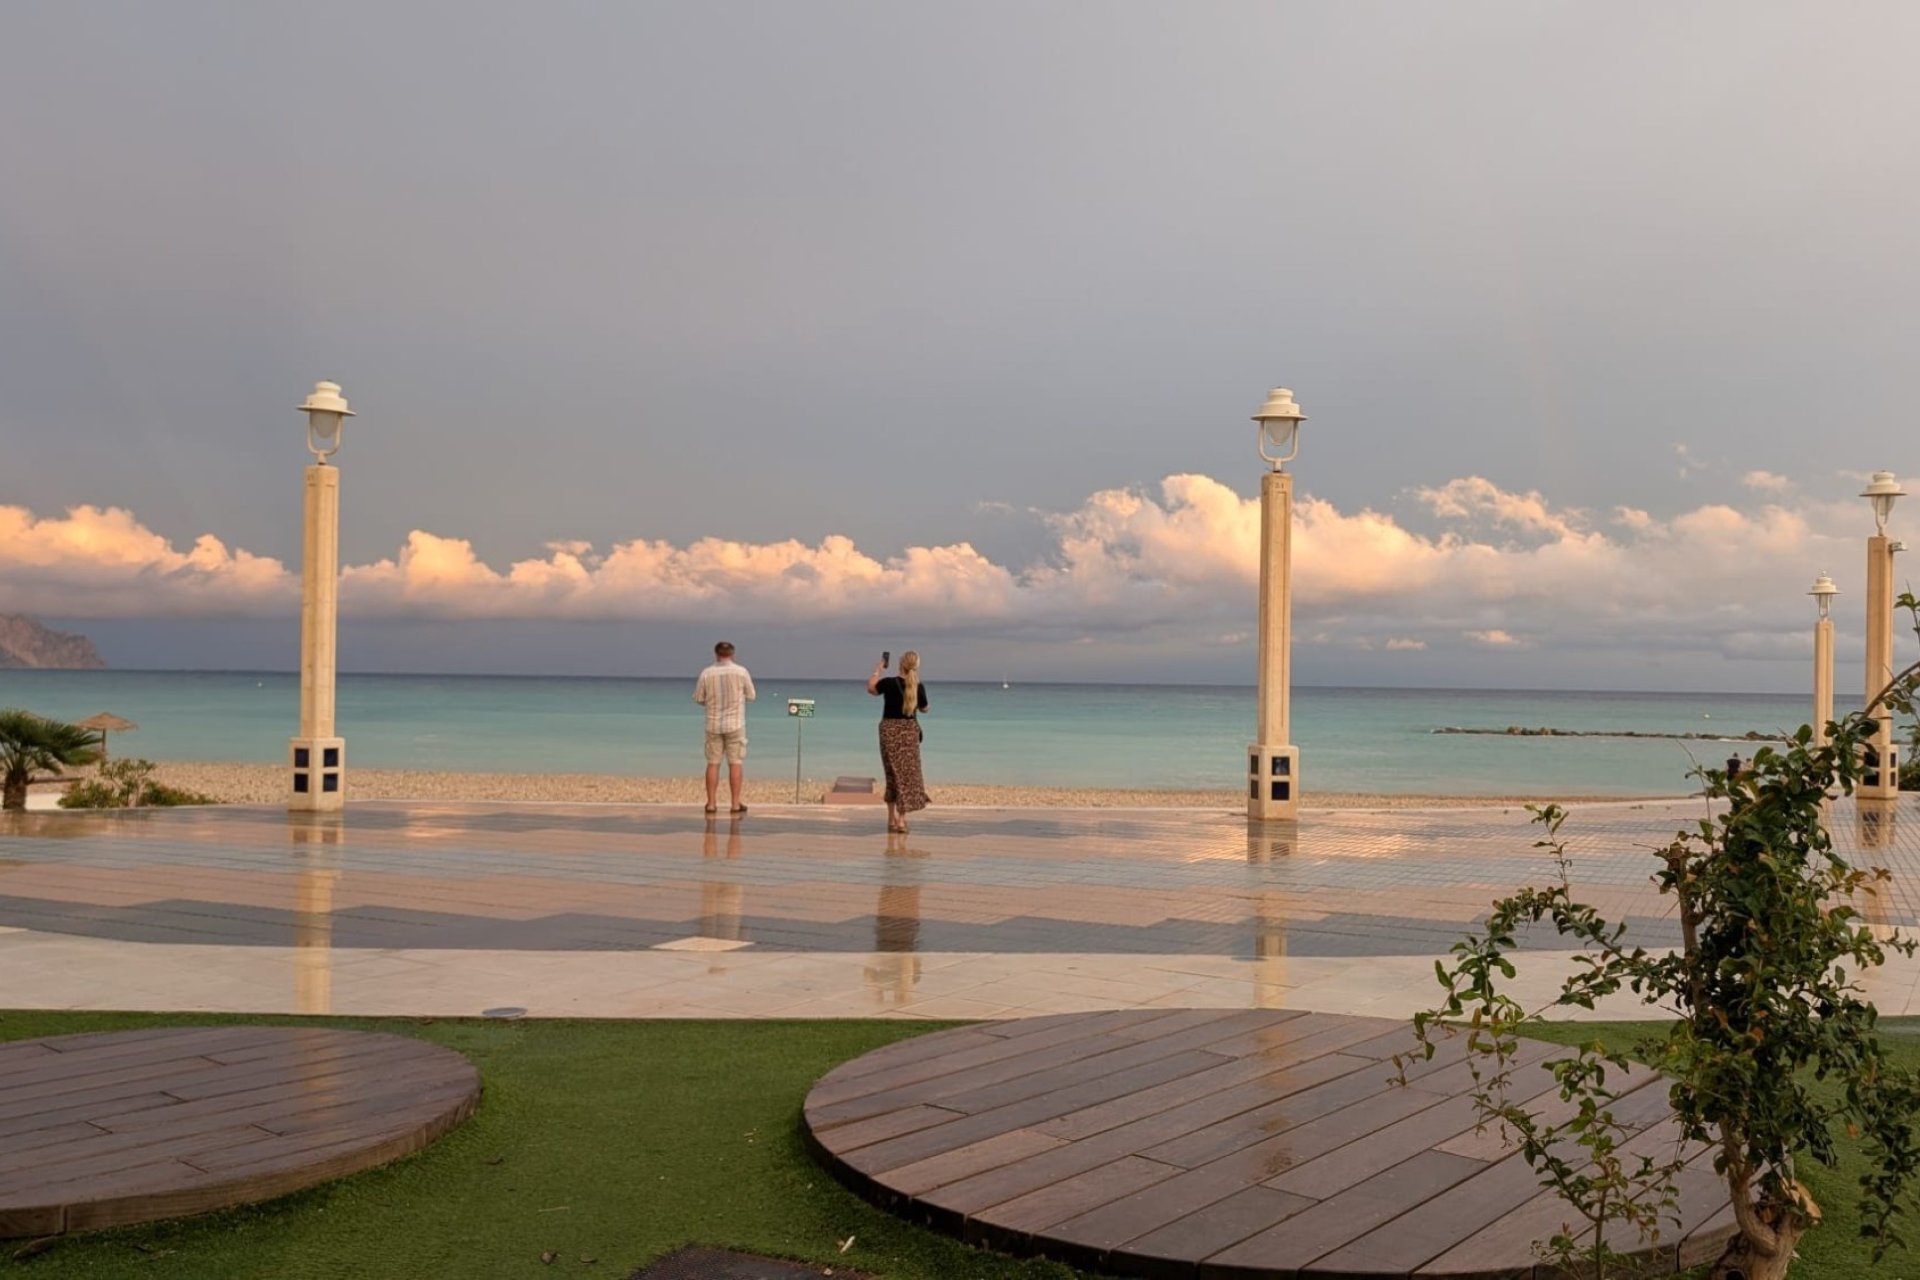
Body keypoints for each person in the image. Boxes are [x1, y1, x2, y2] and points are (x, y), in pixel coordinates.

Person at [867, 649, 929, 834]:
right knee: (907, 777)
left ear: (900, 664)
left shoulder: (888, 683)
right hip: (908, 734)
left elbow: (871, 688)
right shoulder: (918, 686)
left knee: (892, 775)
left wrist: (878, 669)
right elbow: (925, 708)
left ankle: (891, 819)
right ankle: (901, 821)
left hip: (889, 731)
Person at [693, 641, 756, 815]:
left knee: (713, 763)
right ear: (732, 654)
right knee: (735, 762)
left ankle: (711, 803)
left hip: (713, 723)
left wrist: (712, 703)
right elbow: (751, 695)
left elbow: (698, 698)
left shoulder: (707, 673)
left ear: (716, 654)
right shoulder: (741, 672)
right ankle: (735, 804)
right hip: (735, 724)